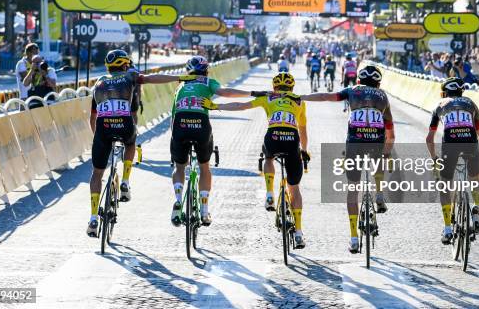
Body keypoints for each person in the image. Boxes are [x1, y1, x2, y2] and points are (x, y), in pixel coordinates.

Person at [87, 50, 195, 237]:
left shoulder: (98, 82)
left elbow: (92, 117)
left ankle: (93, 218)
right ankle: (126, 182)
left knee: (97, 173)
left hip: (103, 127)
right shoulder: (130, 76)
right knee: (130, 144)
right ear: (124, 65)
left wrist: (98, 138)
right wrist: (180, 77)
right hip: (125, 124)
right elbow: (152, 78)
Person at [202, 72, 310, 248]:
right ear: (292, 87)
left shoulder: (268, 98)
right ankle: (298, 233)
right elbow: (303, 131)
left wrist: (215, 106)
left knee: (268, 158)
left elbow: (240, 106)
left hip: (273, 137)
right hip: (292, 140)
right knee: (294, 188)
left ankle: (269, 194)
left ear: (274, 87)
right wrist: (304, 151)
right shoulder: (299, 101)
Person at [299, 65, 394, 253]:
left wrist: (302, 97)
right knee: (381, 157)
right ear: (378, 82)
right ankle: (380, 193)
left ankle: (353, 238)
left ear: (358, 80)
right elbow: (390, 131)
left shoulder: (352, 91)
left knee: (352, 190)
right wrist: (387, 150)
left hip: (354, 142)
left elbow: (325, 96)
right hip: (376, 140)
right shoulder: (383, 96)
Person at [169, 55, 257, 227]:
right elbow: (225, 92)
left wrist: (176, 140)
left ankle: (178, 199)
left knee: (180, 166)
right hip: (200, 125)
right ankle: (204, 209)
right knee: (204, 166)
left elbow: (173, 117)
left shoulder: (181, 85)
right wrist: (251, 93)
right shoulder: (208, 81)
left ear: (188, 71)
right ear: (206, 70)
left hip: (180, 124)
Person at [425, 77, 479, 244]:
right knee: (475, 178)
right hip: (470, 143)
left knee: (445, 184)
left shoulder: (440, 104)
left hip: (450, 144)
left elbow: (429, 139)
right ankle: (476, 209)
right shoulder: (471, 104)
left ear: (445, 92)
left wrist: (434, 159)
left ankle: (447, 229)